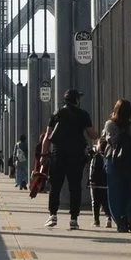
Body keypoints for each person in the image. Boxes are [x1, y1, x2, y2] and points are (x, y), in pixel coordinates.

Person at [42, 89, 93, 228]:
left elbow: (47, 137)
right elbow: (92, 134)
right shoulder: (83, 114)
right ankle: (74, 220)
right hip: (76, 156)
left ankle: (53, 215)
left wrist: (43, 155)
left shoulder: (57, 113)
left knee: (55, 186)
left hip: (58, 155)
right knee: (75, 188)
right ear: (76, 100)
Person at [99, 99, 131, 232]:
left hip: (113, 162)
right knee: (129, 191)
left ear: (116, 110)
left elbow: (111, 141)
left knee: (115, 193)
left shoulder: (110, 124)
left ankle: (120, 223)